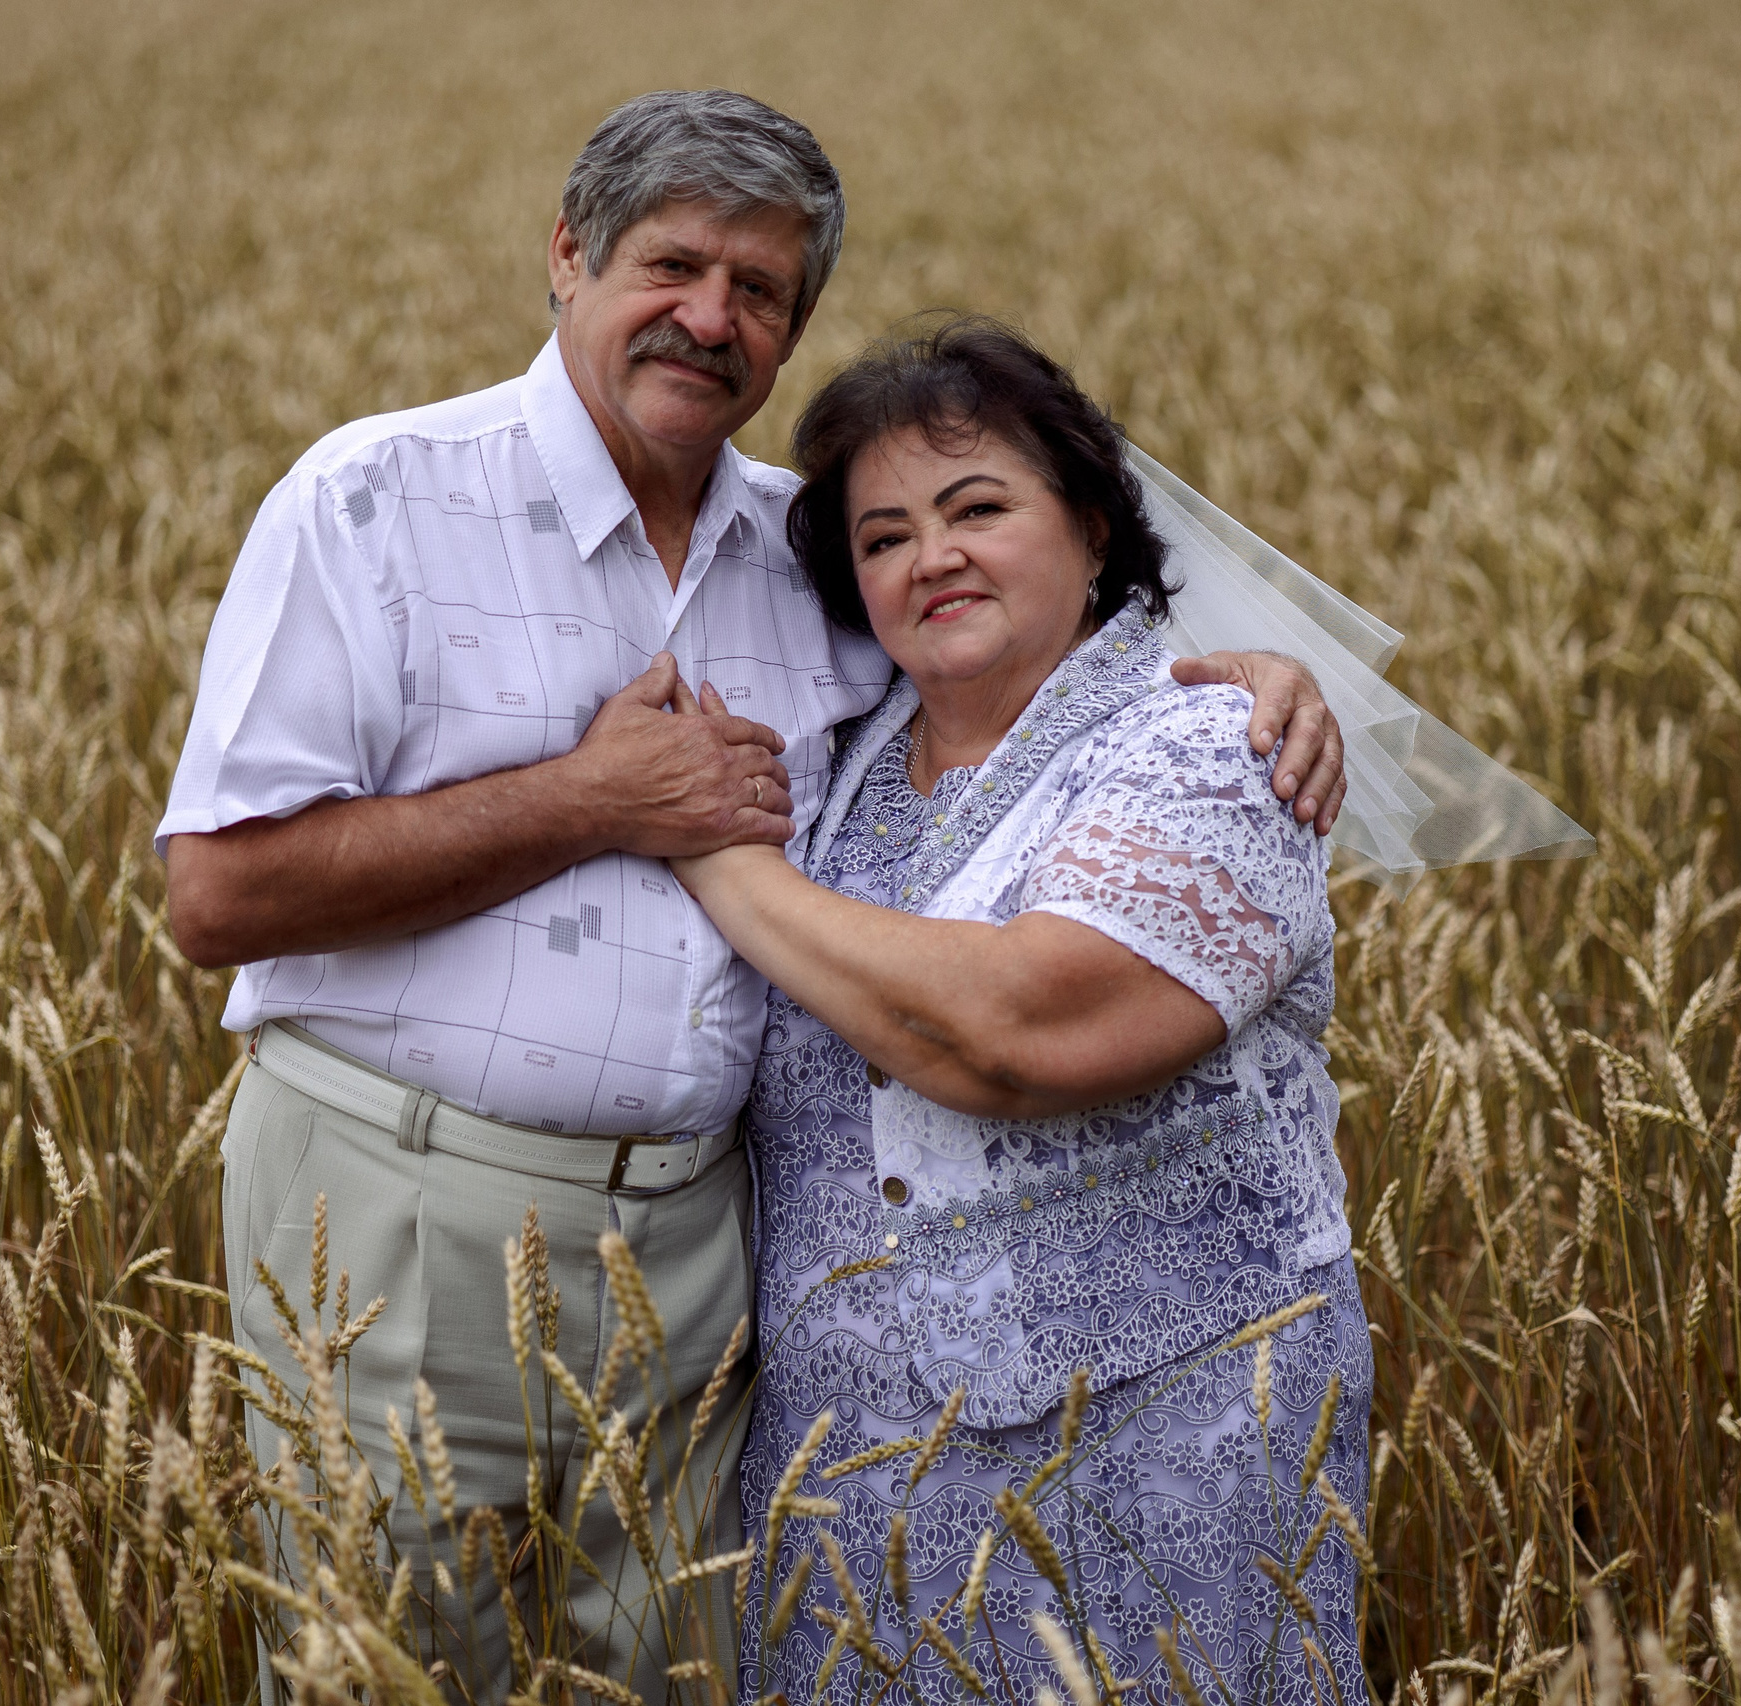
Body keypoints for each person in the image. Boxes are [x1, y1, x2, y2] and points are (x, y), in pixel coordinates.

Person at [156, 92, 1349, 1700]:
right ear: (568, 257)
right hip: (408, 1215)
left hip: (709, 1275)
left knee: (687, 1674)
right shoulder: (374, 501)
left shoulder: (805, 559)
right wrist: (591, 799)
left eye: (762, 291)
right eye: (673, 264)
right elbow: (219, 891)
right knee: (393, 1669)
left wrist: (1253, 676)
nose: (710, 317)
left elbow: (1029, 674)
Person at [664, 317, 1373, 1704]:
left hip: (1152, 1478)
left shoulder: (1212, 753)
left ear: (1096, 527)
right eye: (882, 538)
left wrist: (708, 852)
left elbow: (1013, 1029)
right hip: (848, 1498)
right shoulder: (842, 766)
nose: (931, 557)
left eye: (977, 508)